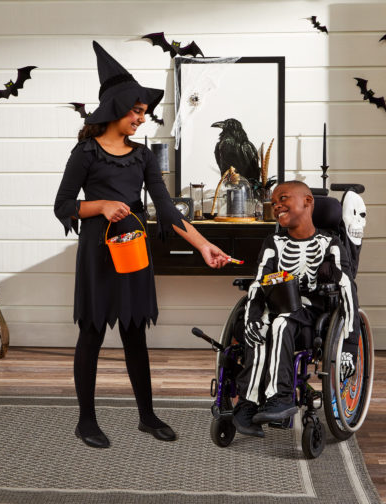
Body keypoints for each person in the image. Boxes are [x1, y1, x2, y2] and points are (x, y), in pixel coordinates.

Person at [54, 41, 229, 449]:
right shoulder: (85, 154)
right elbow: (63, 205)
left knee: (135, 334)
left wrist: (204, 246)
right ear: (115, 108)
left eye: (143, 111)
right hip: (99, 252)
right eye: (136, 110)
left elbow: (167, 210)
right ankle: (86, 421)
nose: (142, 117)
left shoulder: (143, 156)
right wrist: (101, 205)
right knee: (92, 335)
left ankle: (146, 416)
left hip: (134, 249)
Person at [232, 181, 358, 438]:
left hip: (311, 315)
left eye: (284, 198)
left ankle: (281, 396)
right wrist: (252, 317)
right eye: (274, 202)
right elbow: (259, 281)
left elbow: (347, 287)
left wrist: (350, 348)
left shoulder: (330, 243)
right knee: (259, 326)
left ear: (308, 202)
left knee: (280, 323)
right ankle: (248, 401)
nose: (276, 205)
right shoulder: (273, 242)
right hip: (276, 305)